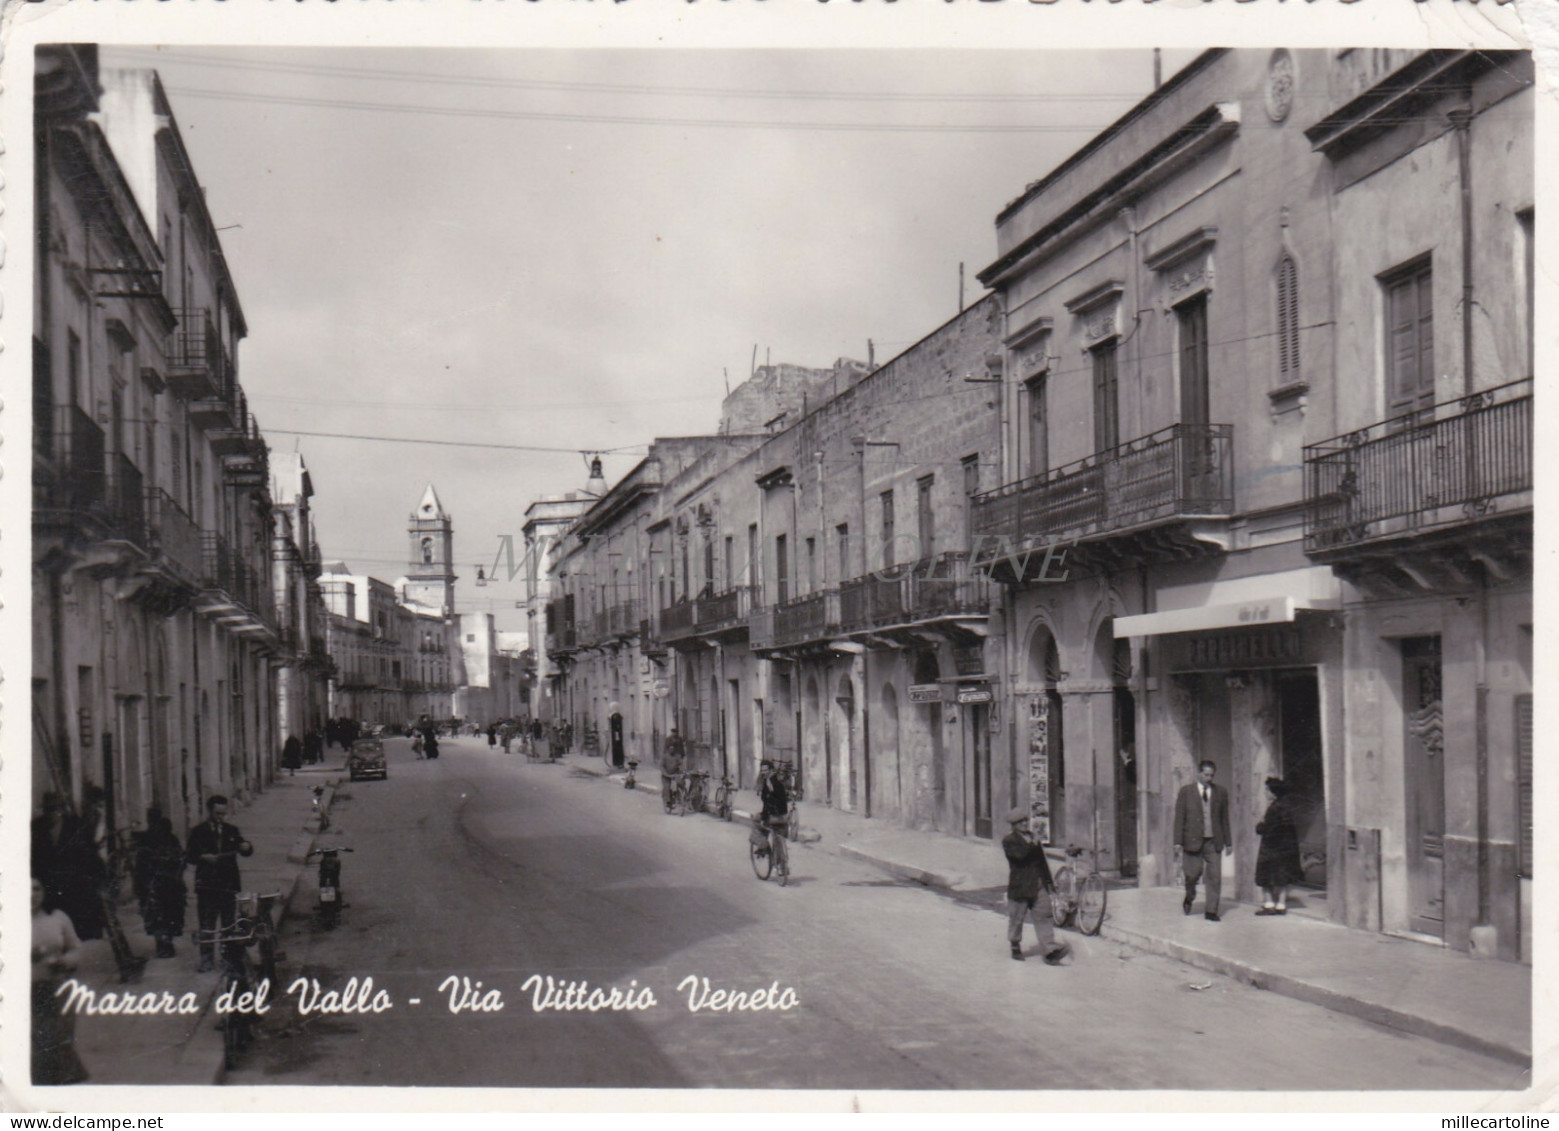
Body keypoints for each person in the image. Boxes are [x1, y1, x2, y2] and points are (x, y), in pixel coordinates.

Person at [186, 795, 254, 973]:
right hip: (207, 886)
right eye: (217, 813)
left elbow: (245, 849)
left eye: (223, 813)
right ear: (209, 811)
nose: (220, 817)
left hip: (228, 885)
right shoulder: (198, 831)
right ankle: (206, 959)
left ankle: (227, 958)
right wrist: (203, 857)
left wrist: (247, 846)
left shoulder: (232, 830)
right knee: (207, 924)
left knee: (228, 924)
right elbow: (189, 856)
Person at [32, 876, 88, 1084]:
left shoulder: (57, 918)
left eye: (37, 889)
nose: (32, 895)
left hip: (57, 987)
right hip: (26, 990)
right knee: (37, 1040)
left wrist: (64, 960)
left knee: (61, 1037)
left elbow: (76, 948)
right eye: (26, 889)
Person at [31, 792, 106, 942]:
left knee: (74, 929)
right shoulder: (36, 827)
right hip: (48, 886)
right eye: (48, 810)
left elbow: (89, 854)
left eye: (55, 810)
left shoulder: (75, 826)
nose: (51, 814)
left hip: (72, 885)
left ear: (61, 810)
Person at [1002, 807, 1070, 964]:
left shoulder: (1033, 838)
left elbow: (1042, 862)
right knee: (1017, 918)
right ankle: (1015, 945)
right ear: (1014, 825)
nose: (1025, 823)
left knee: (1044, 915)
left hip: (1038, 884)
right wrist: (1033, 843)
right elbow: (1020, 856)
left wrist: (1049, 883)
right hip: (1021, 886)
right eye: (1021, 822)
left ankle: (1050, 951)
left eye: (1026, 820)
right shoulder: (1009, 841)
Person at [1173, 760, 1233, 921]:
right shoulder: (1186, 792)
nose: (1208, 778)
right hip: (1192, 840)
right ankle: (1189, 895)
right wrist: (1177, 841)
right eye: (1206, 775)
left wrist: (1228, 842)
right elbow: (1179, 817)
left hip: (1214, 842)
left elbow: (1224, 818)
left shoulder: (1221, 792)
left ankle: (1211, 911)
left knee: (1214, 876)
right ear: (1199, 773)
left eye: (1211, 775)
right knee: (1192, 874)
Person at [134, 812, 188, 958]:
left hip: (157, 886)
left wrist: (140, 888)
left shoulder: (146, 840)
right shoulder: (171, 839)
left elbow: (140, 867)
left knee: (158, 916)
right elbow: (181, 861)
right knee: (167, 915)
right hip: (168, 886)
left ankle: (163, 943)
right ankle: (166, 943)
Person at [1255, 777, 1306, 916]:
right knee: (1282, 877)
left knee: (1265, 876)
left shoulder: (1273, 809)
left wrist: (1260, 825)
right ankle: (1281, 905)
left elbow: (1267, 829)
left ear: (1273, 792)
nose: (1265, 792)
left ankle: (1269, 904)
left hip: (1271, 848)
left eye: (1267, 790)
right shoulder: (1286, 807)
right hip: (1285, 849)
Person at [661, 736, 686, 810]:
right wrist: (666, 774)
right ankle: (668, 802)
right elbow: (662, 767)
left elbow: (681, 764)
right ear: (668, 749)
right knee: (667, 787)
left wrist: (682, 771)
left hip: (675, 774)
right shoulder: (664, 757)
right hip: (666, 776)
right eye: (670, 748)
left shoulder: (677, 756)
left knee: (681, 783)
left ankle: (680, 797)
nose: (672, 750)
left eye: (673, 748)